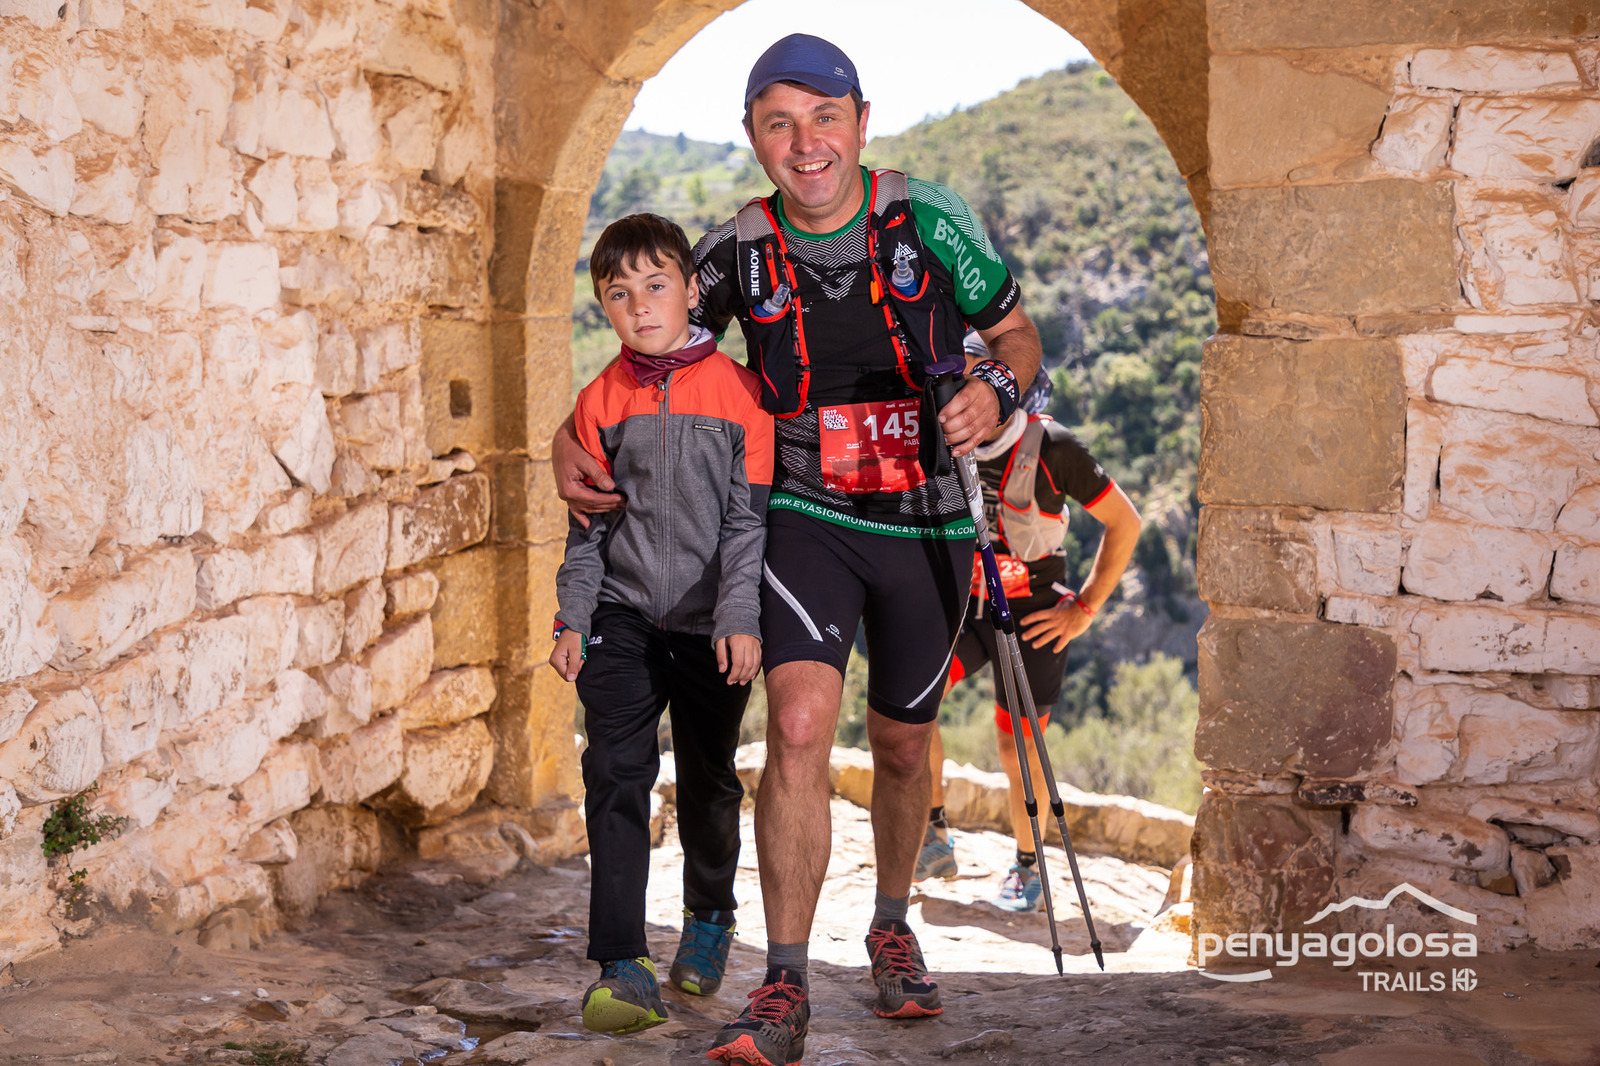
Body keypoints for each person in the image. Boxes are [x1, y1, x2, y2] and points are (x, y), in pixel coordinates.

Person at [552, 35, 1042, 1066]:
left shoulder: (928, 219)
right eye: (779, 123)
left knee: (902, 744)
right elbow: (656, 343)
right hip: (806, 514)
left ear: (861, 122)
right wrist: (569, 434)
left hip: (928, 522)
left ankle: (892, 924)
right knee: (800, 724)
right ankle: (783, 981)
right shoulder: (736, 251)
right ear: (753, 138)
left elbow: (1015, 335)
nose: (805, 142)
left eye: (824, 118)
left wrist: (993, 391)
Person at [551, 213, 773, 1036]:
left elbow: (748, 524)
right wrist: (572, 618)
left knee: (710, 778)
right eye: (619, 294)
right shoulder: (599, 401)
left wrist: (739, 616)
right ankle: (622, 964)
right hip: (623, 615)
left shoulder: (743, 395)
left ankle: (709, 919)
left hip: (713, 624)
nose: (640, 306)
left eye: (655, 285)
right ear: (603, 306)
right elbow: (587, 530)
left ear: (689, 288)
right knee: (614, 770)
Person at [913, 336, 1142, 915]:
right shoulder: (942, 437)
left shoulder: (1051, 445)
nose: (963, 393)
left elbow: (1125, 522)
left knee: (1016, 746)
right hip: (968, 606)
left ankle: (1028, 865)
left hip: (1035, 612)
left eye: (976, 378)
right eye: (957, 379)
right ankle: (933, 835)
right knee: (913, 704)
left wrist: (1084, 607)